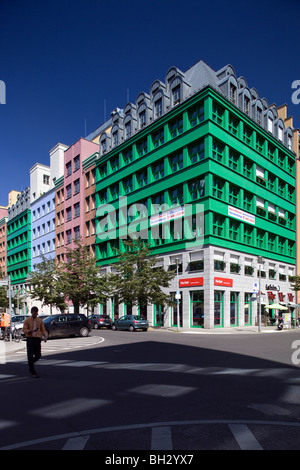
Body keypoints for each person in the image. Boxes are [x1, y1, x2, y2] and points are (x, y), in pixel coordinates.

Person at [23, 306, 47, 378]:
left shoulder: (39, 320)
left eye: (36, 313)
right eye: (34, 313)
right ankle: (33, 371)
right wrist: (30, 331)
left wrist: (45, 336)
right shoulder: (27, 320)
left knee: (38, 355)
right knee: (30, 355)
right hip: (30, 339)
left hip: (37, 339)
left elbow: (43, 329)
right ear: (31, 312)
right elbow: (24, 330)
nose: (35, 314)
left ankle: (31, 363)